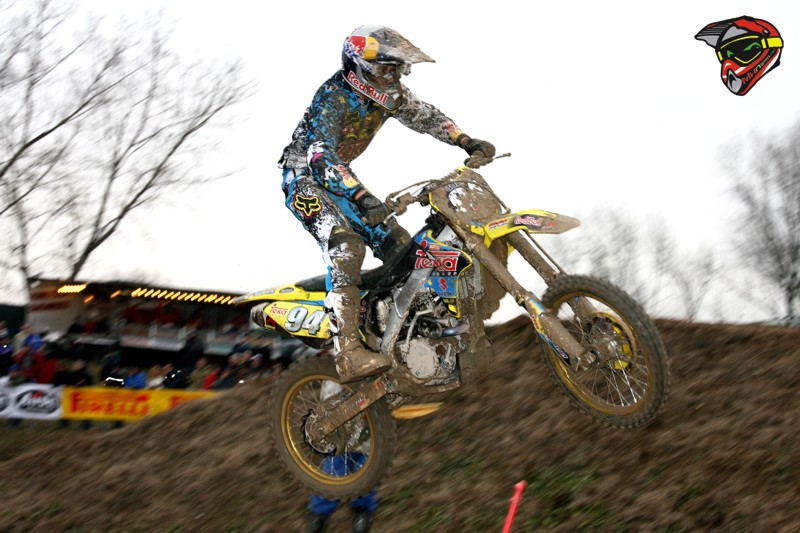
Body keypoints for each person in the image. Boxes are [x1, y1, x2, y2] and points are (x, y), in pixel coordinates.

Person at [278, 25, 495, 383]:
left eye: (397, 69)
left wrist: (465, 140)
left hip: (342, 179)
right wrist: (361, 197)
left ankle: (402, 333)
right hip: (305, 178)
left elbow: (426, 115)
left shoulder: (391, 96)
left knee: (401, 248)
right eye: (384, 69)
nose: (392, 77)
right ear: (358, 67)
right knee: (347, 246)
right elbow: (320, 155)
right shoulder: (333, 96)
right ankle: (348, 352)